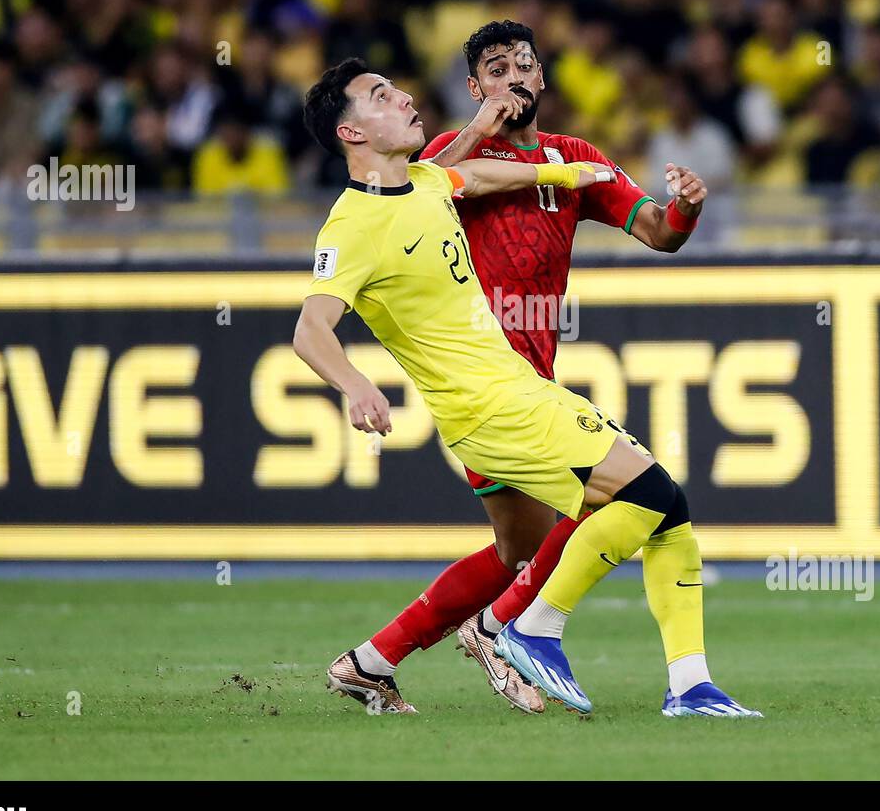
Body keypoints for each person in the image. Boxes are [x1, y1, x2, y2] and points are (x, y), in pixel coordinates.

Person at [295, 57, 760, 719]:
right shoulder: (353, 225)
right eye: (379, 95)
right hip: (494, 408)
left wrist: (559, 172)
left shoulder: (423, 182)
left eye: (395, 87)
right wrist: (355, 384)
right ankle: (521, 627)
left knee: (587, 531)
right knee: (649, 496)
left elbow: (476, 171)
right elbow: (311, 329)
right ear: (351, 134)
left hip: (511, 393)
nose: (401, 97)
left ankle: (690, 686)